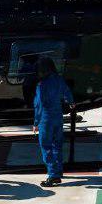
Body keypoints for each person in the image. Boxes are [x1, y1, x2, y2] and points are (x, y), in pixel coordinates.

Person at [32, 57, 74, 188]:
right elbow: (66, 91)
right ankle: (58, 170)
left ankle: (53, 175)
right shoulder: (58, 79)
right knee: (57, 145)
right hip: (58, 117)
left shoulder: (41, 86)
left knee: (46, 147)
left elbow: (39, 105)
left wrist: (36, 122)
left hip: (46, 119)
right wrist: (71, 102)